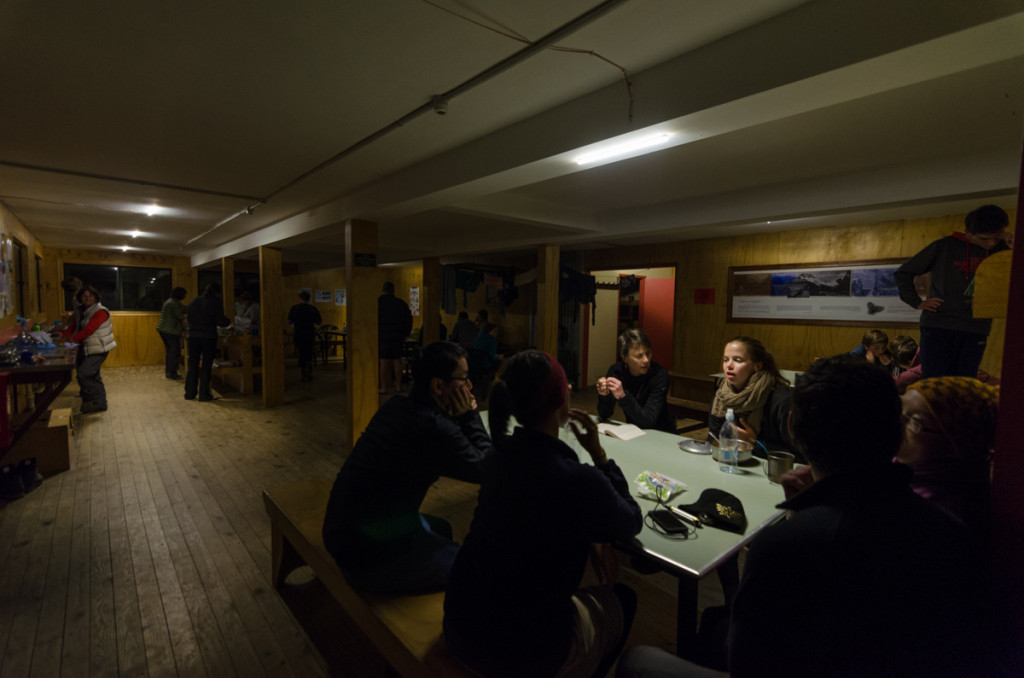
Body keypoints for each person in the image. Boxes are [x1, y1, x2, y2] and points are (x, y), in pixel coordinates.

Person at [617, 356, 1012, 678]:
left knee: (640, 661)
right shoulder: (955, 531)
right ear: (893, 430)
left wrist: (803, 519)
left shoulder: (786, 545)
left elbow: (751, 663)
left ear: (793, 426)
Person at [444, 351, 642, 678]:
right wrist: (600, 455)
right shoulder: (577, 478)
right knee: (624, 599)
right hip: (520, 653)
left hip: (460, 623)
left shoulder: (498, 458)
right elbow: (630, 521)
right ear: (560, 401)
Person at [322, 341, 493, 594]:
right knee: (477, 568)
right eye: (464, 379)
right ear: (438, 385)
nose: (469, 387)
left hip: (341, 531)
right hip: (368, 556)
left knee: (442, 528)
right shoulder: (432, 427)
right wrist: (469, 415)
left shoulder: (396, 407)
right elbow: (487, 467)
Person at [894, 204, 1010, 379]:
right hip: (939, 324)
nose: (991, 243)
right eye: (985, 239)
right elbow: (903, 273)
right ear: (968, 233)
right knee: (934, 381)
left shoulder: (1002, 248)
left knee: (965, 383)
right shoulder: (944, 246)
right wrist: (917, 302)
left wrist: (1013, 245)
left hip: (976, 326)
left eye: (995, 237)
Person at [899, 377, 999, 535]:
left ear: (954, 446)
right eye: (899, 407)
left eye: (913, 422)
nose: (895, 422)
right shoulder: (905, 471)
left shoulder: (941, 517)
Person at [707, 336, 796, 459]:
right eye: (726, 359)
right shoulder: (722, 395)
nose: (729, 365)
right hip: (729, 463)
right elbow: (713, 439)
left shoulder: (781, 400)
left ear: (757, 366)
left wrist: (754, 441)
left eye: (738, 360)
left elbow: (797, 455)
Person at [596, 328, 673, 433]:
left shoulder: (660, 375)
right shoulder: (616, 372)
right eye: (639, 356)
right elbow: (605, 414)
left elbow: (648, 420)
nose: (646, 360)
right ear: (624, 358)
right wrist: (604, 395)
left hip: (661, 433)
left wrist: (623, 396)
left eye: (648, 353)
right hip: (633, 432)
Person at [61, 285, 117, 413]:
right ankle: (97, 403)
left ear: (96, 297)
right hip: (86, 347)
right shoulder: (81, 310)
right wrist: (63, 337)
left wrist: (72, 339)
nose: (87, 299)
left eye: (90, 296)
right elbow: (73, 326)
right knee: (93, 375)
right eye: (84, 296)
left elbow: (89, 329)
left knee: (83, 374)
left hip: (99, 348)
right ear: (80, 298)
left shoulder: (100, 311)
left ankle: (94, 401)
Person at [185, 283, 231, 402]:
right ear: (217, 293)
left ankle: (189, 393)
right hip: (208, 337)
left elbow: (188, 315)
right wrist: (229, 322)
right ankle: (204, 394)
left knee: (193, 365)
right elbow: (221, 321)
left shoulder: (195, 300)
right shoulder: (216, 303)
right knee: (206, 366)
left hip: (193, 336)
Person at [378, 281, 413, 394]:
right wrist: (405, 334)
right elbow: (409, 319)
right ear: (394, 290)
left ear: (383, 290)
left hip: (383, 335)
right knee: (397, 360)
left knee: (384, 361)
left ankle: (384, 387)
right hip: (398, 335)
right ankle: (398, 386)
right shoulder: (401, 303)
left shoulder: (379, 303)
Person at [287, 290, 322, 381]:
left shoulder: (294, 308)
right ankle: (310, 373)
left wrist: (294, 325)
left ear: (300, 298)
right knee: (309, 352)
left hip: (299, 333)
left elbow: (289, 321)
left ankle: (304, 374)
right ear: (309, 298)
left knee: (302, 353)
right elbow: (318, 322)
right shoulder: (313, 309)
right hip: (310, 333)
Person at [156, 287, 188, 380]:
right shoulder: (173, 303)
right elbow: (179, 316)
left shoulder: (172, 302)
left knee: (170, 352)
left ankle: (170, 372)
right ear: (180, 295)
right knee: (174, 351)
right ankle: (172, 373)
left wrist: (192, 306)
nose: (185, 296)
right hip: (169, 331)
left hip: (164, 330)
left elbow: (183, 308)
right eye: (184, 295)